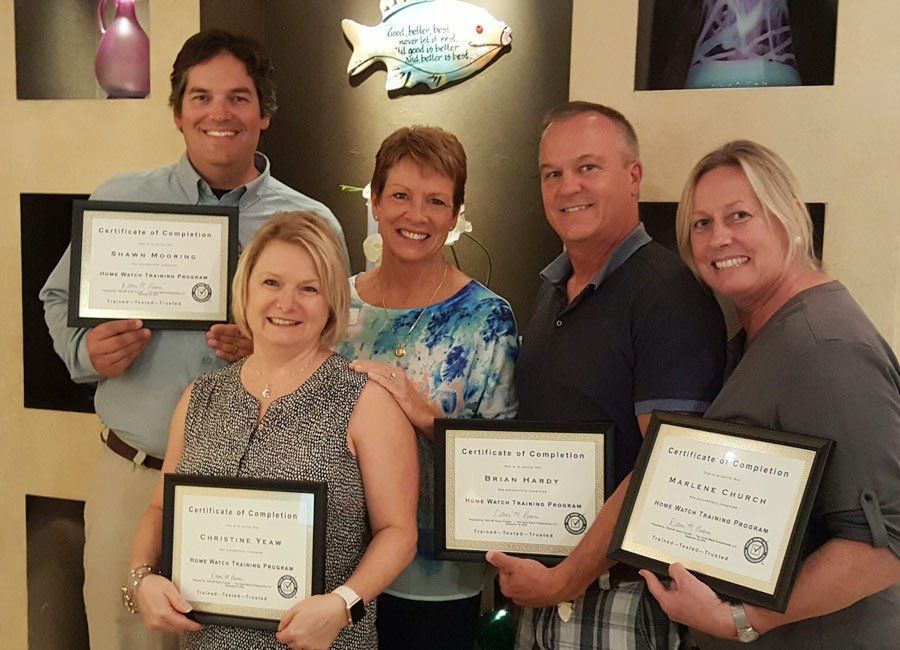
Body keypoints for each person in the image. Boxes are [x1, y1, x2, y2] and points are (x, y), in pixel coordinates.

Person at [39, 30, 347, 650]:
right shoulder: (120, 201)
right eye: (201, 97)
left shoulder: (311, 223)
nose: (218, 113)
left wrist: (275, 351)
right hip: (136, 478)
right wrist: (86, 351)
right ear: (177, 111)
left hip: (260, 498)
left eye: (238, 97)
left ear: (264, 114)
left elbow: (337, 347)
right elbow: (57, 299)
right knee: (126, 638)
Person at [640, 140, 900, 648]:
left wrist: (740, 618)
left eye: (739, 215)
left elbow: (886, 542)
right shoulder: (758, 336)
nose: (719, 237)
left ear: (792, 217)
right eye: (702, 223)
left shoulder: (825, 347)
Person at [485, 102, 726, 649]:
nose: (567, 186)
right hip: (549, 596)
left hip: (620, 599)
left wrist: (567, 578)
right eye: (552, 173)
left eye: (587, 167)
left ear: (633, 176)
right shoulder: (553, 289)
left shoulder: (668, 294)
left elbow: (666, 463)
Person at [129, 211, 418, 649]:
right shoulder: (200, 396)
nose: (287, 303)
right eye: (271, 283)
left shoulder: (365, 400)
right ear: (245, 290)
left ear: (332, 302)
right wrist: (142, 578)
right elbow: (159, 509)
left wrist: (343, 604)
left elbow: (398, 533)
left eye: (309, 288)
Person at [335, 125, 518, 649]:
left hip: (436, 577)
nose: (416, 215)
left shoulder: (487, 319)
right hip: (334, 563)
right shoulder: (333, 305)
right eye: (400, 196)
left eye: (435, 201)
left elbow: (503, 467)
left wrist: (425, 415)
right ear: (374, 201)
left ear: (455, 215)